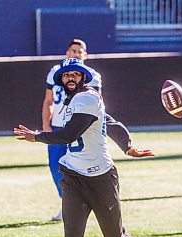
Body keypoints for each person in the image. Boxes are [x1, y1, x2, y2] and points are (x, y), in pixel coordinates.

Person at [15, 58, 154, 237]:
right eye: (66, 75)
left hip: (101, 178)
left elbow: (69, 134)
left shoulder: (88, 98)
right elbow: (110, 123)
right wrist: (127, 145)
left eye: (74, 74)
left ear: (83, 77)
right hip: (74, 177)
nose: (70, 78)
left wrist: (38, 137)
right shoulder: (69, 102)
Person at [42, 39, 128, 221]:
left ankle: (84, 205)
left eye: (80, 52)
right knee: (55, 167)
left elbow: (97, 105)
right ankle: (66, 202)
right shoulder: (55, 73)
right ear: (67, 53)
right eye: (73, 50)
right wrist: (45, 126)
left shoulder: (93, 76)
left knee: (79, 167)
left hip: (79, 129)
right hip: (58, 126)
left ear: (85, 56)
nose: (76, 54)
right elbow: (48, 100)